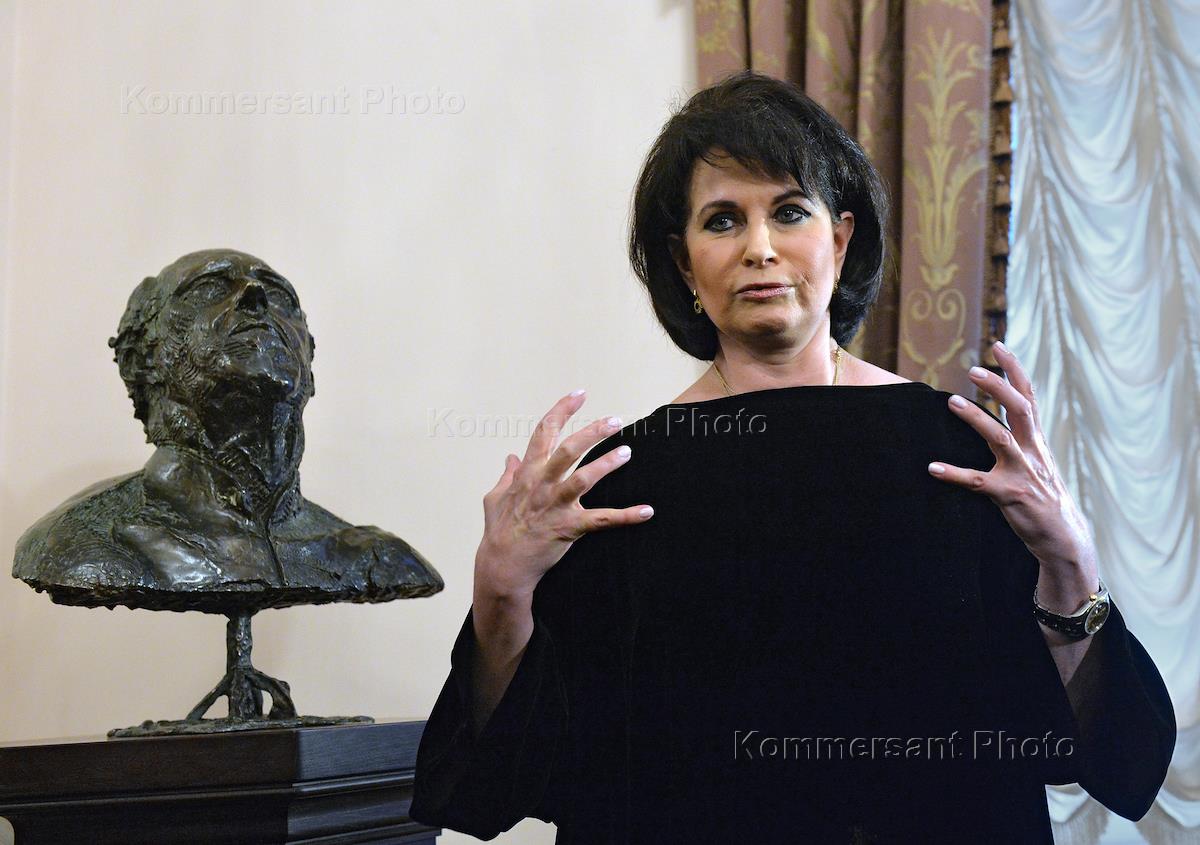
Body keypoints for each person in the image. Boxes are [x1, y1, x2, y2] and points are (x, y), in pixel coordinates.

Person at [409, 72, 1174, 843]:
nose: (760, 248)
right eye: (723, 220)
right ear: (684, 264)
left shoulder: (957, 452)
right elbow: (497, 782)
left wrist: (1070, 558)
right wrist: (500, 589)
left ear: (839, 240)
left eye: (789, 211)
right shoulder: (616, 484)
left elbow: (1113, 751)